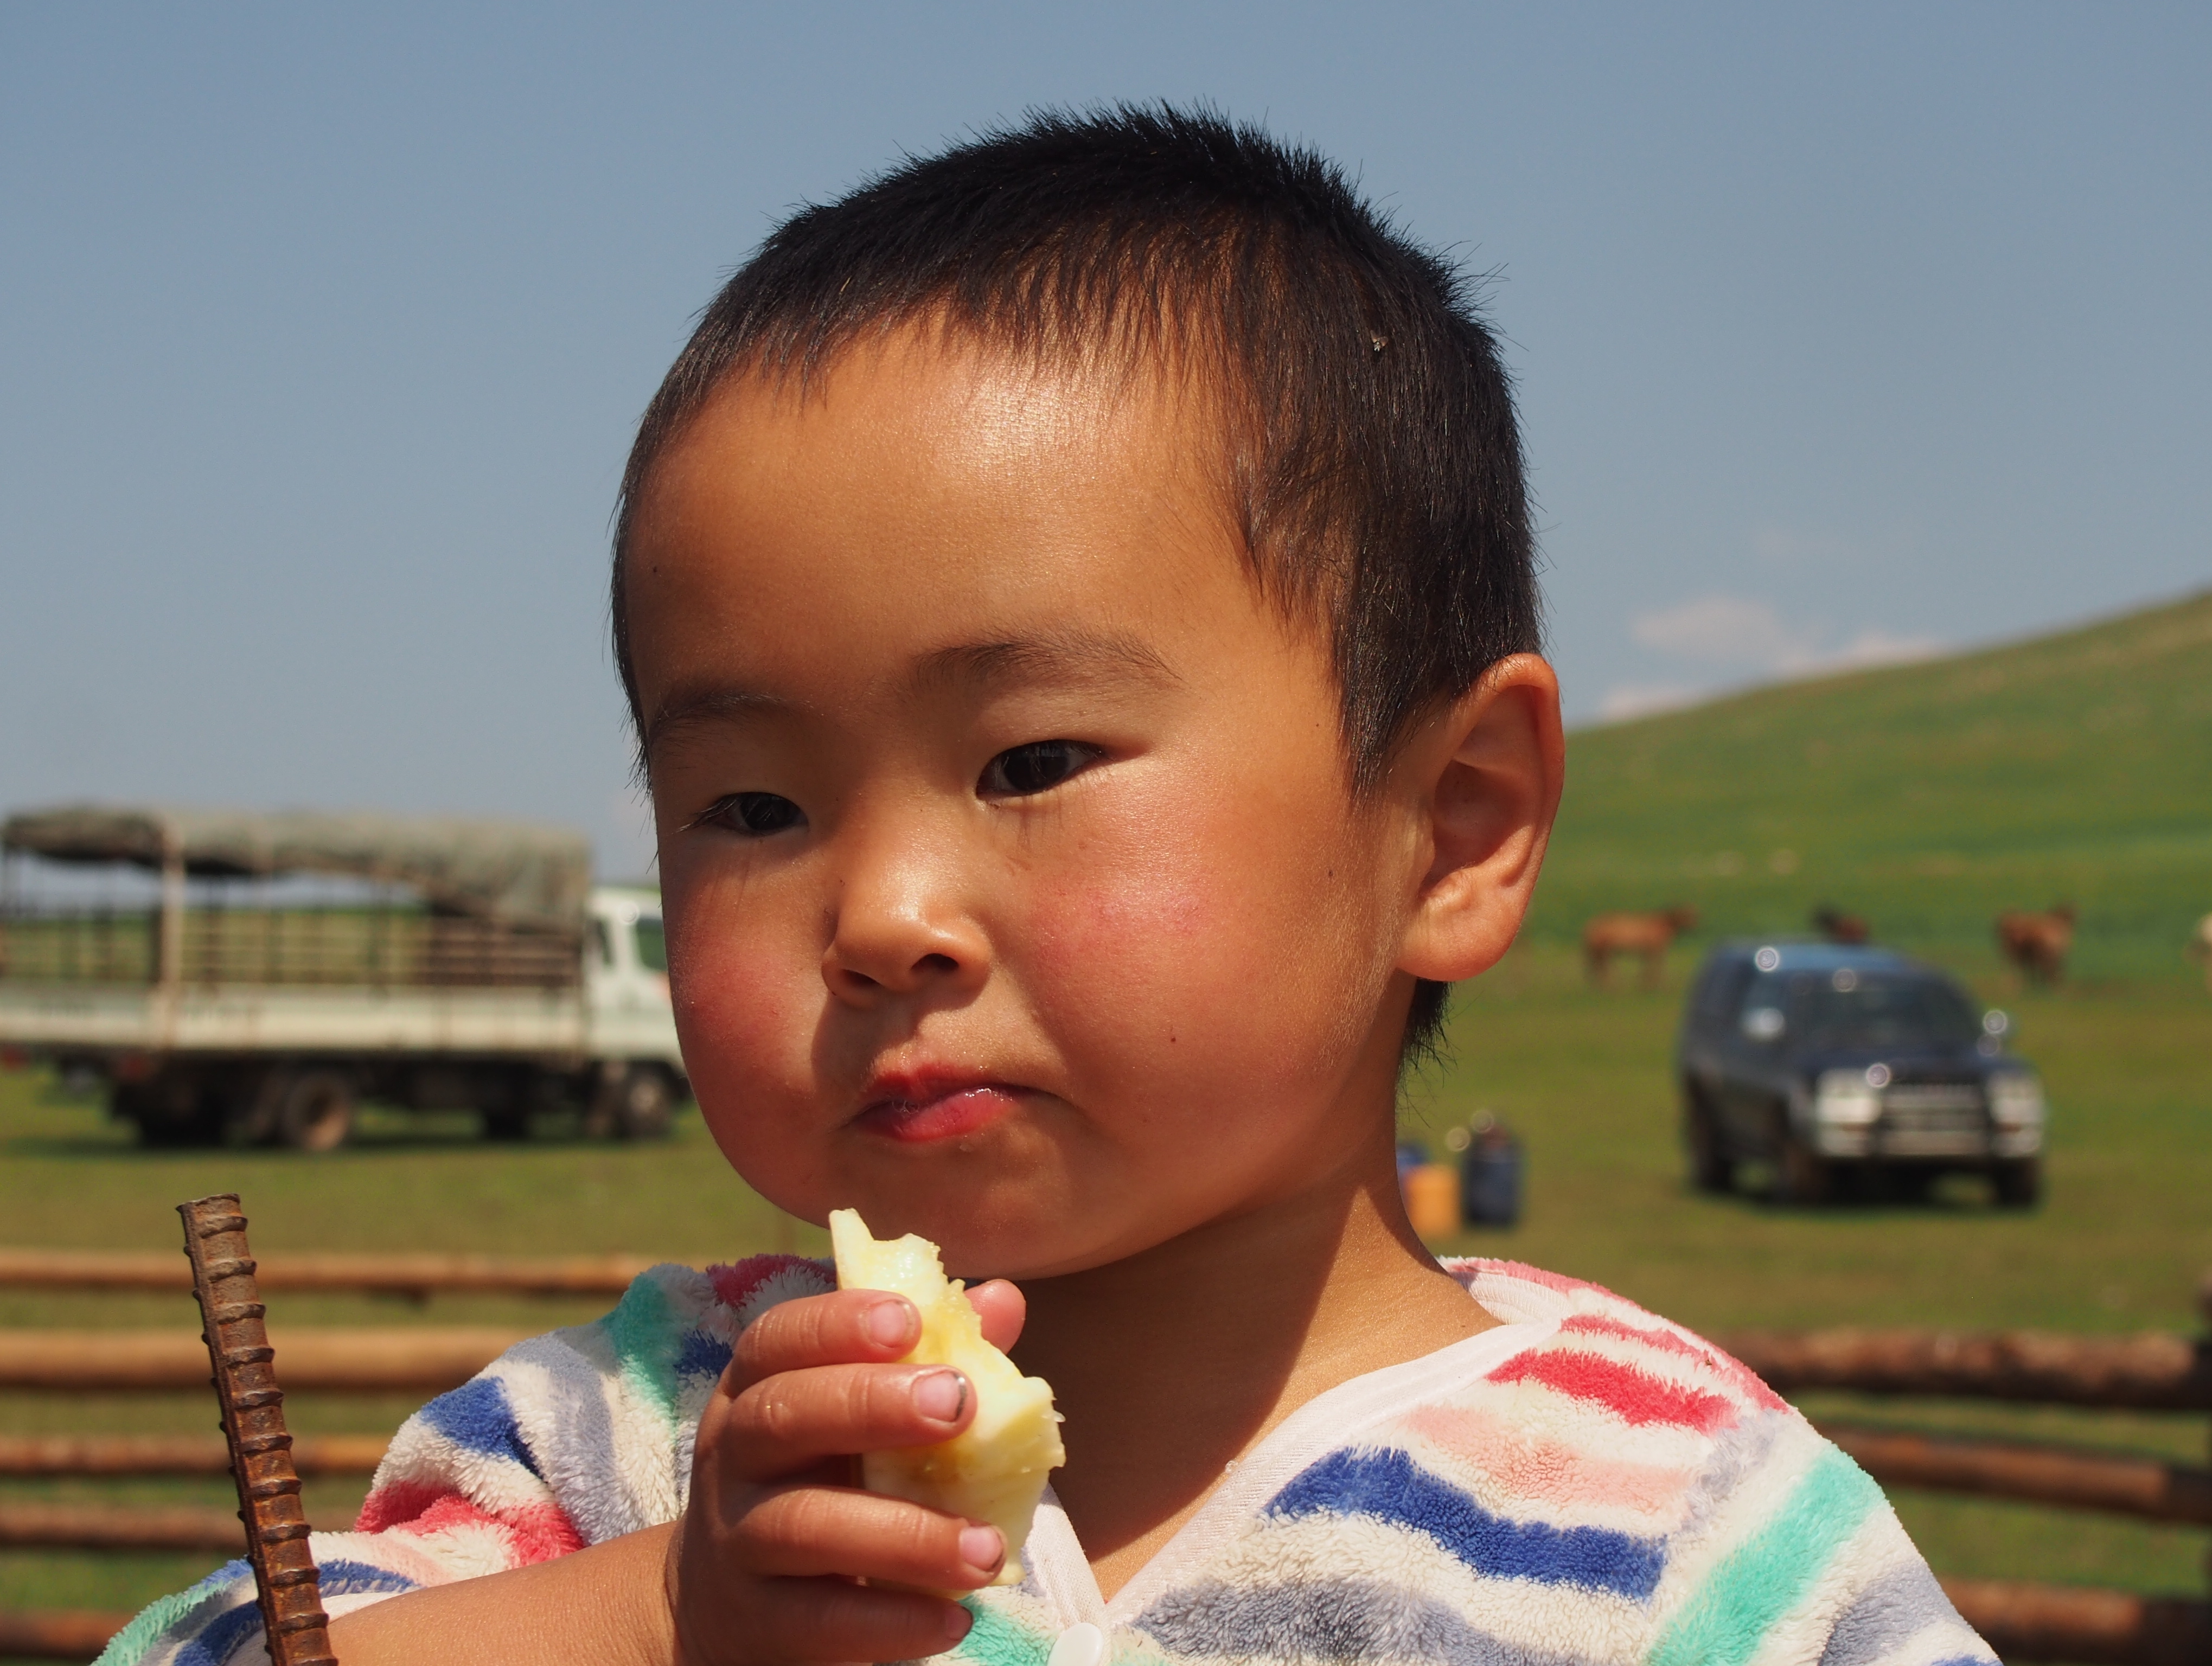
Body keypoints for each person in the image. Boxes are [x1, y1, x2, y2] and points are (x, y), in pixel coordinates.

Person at [106, 107, 1991, 1666]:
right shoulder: (632, 1441)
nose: (880, 916)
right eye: (751, 805)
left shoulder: (1676, 1534)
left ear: (1452, 825)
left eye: (1031, 763)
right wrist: (664, 1615)